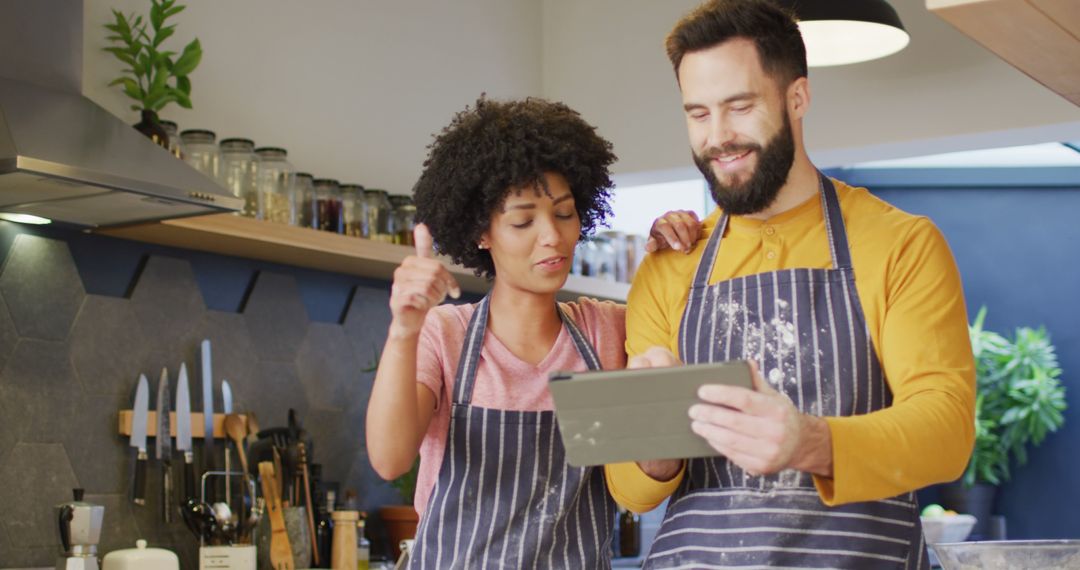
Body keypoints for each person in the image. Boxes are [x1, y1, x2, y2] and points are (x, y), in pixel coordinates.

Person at [604, 1, 976, 568]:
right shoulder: (670, 262)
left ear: (797, 98)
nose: (718, 137)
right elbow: (629, 491)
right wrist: (652, 454)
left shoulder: (900, 243)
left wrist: (810, 441)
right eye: (698, 113)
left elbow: (946, 430)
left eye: (740, 106)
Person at [365, 96, 695, 569]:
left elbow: (665, 432)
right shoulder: (445, 334)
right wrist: (404, 328)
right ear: (482, 232)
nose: (553, 237)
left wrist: (678, 251)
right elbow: (389, 459)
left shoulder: (606, 331)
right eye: (523, 220)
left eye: (564, 214)